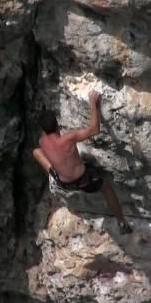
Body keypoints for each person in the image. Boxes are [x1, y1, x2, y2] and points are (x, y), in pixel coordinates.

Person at [32, 90, 133, 234]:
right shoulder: (68, 138)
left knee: (36, 152)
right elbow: (94, 129)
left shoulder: (42, 142)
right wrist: (93, 104)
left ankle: (52, 172)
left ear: (43, 130)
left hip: (64, 183)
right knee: (106, 188)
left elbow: (45, 131)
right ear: (57, 126)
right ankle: (122, 222)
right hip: (84, 180)